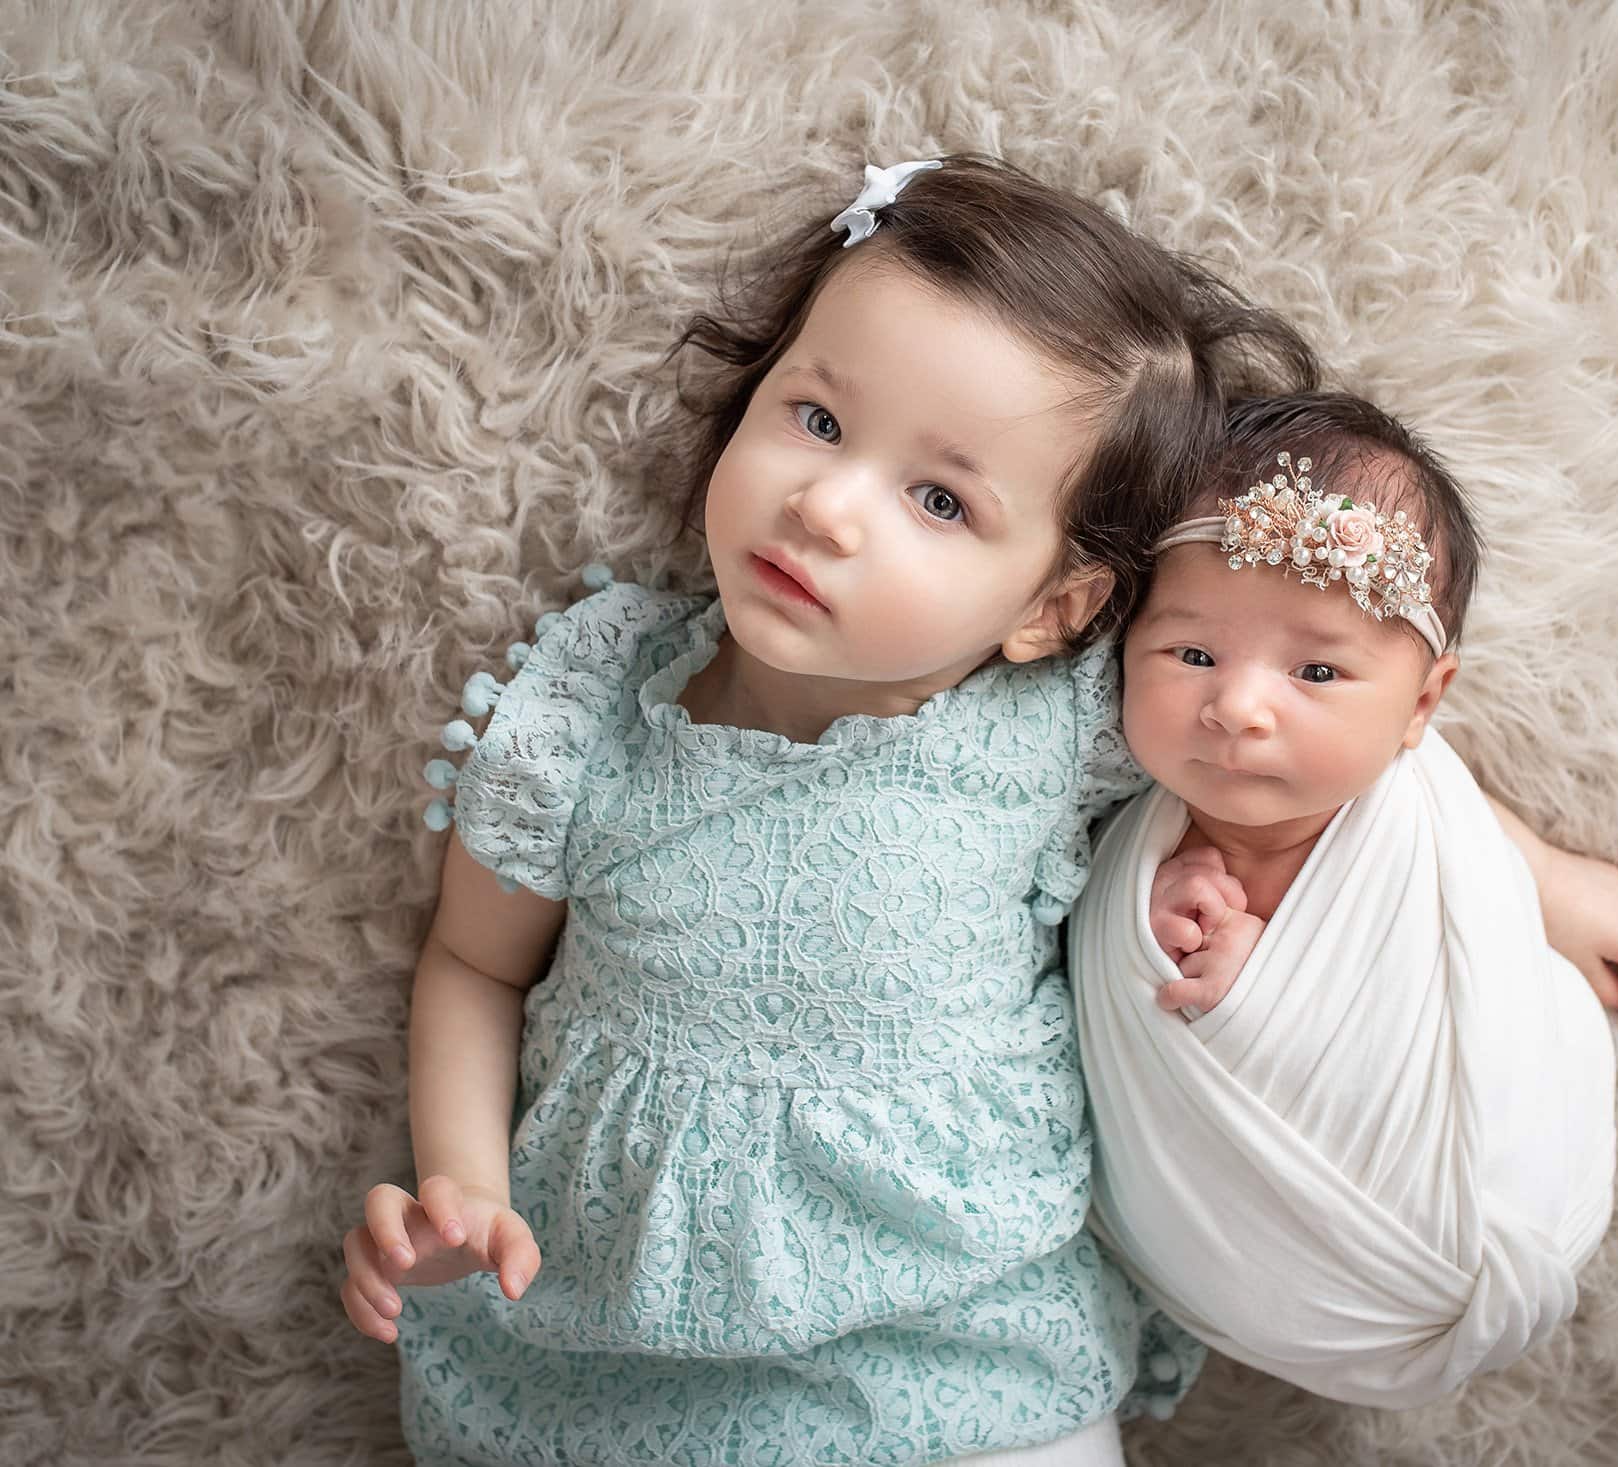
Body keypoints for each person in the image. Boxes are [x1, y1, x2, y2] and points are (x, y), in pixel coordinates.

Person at [335, 154, 1324, 1467]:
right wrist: (463, 1179)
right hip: (617, 1350)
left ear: (1054, 606)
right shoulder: (590, 711)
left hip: (965, 1337)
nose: (828, 504)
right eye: (814, 418)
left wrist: (1530, 876)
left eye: (939, 498)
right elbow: (472, 960)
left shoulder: (1065, 721)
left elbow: (1310, 753)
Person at [1071, 391, 1618, 1408]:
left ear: (1421, 707)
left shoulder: (1425, 806)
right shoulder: (1127, 824)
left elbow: (1457, 849)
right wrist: (1174, 934)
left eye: (1315, 669)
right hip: (1245, 1248)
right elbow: (1126, 1001)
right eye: (1190, 655)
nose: (1237, 707)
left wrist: (1550, 878)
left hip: (1486, 1206)